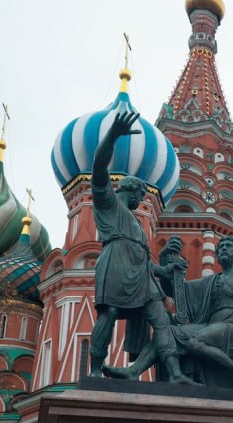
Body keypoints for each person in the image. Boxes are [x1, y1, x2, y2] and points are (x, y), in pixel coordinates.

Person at [86, 110, 192, 383]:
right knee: (108, 313)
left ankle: (175, 374)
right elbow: (98, 169)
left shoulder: (135, 223)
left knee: (162, 320)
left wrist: (164, 271)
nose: (141, 200)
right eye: (140, 195)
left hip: (141, 274)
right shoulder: (108, 204)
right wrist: (111, 136)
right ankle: (96, 369)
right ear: (129, 190)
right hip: (116, 262)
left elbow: (143, 258)